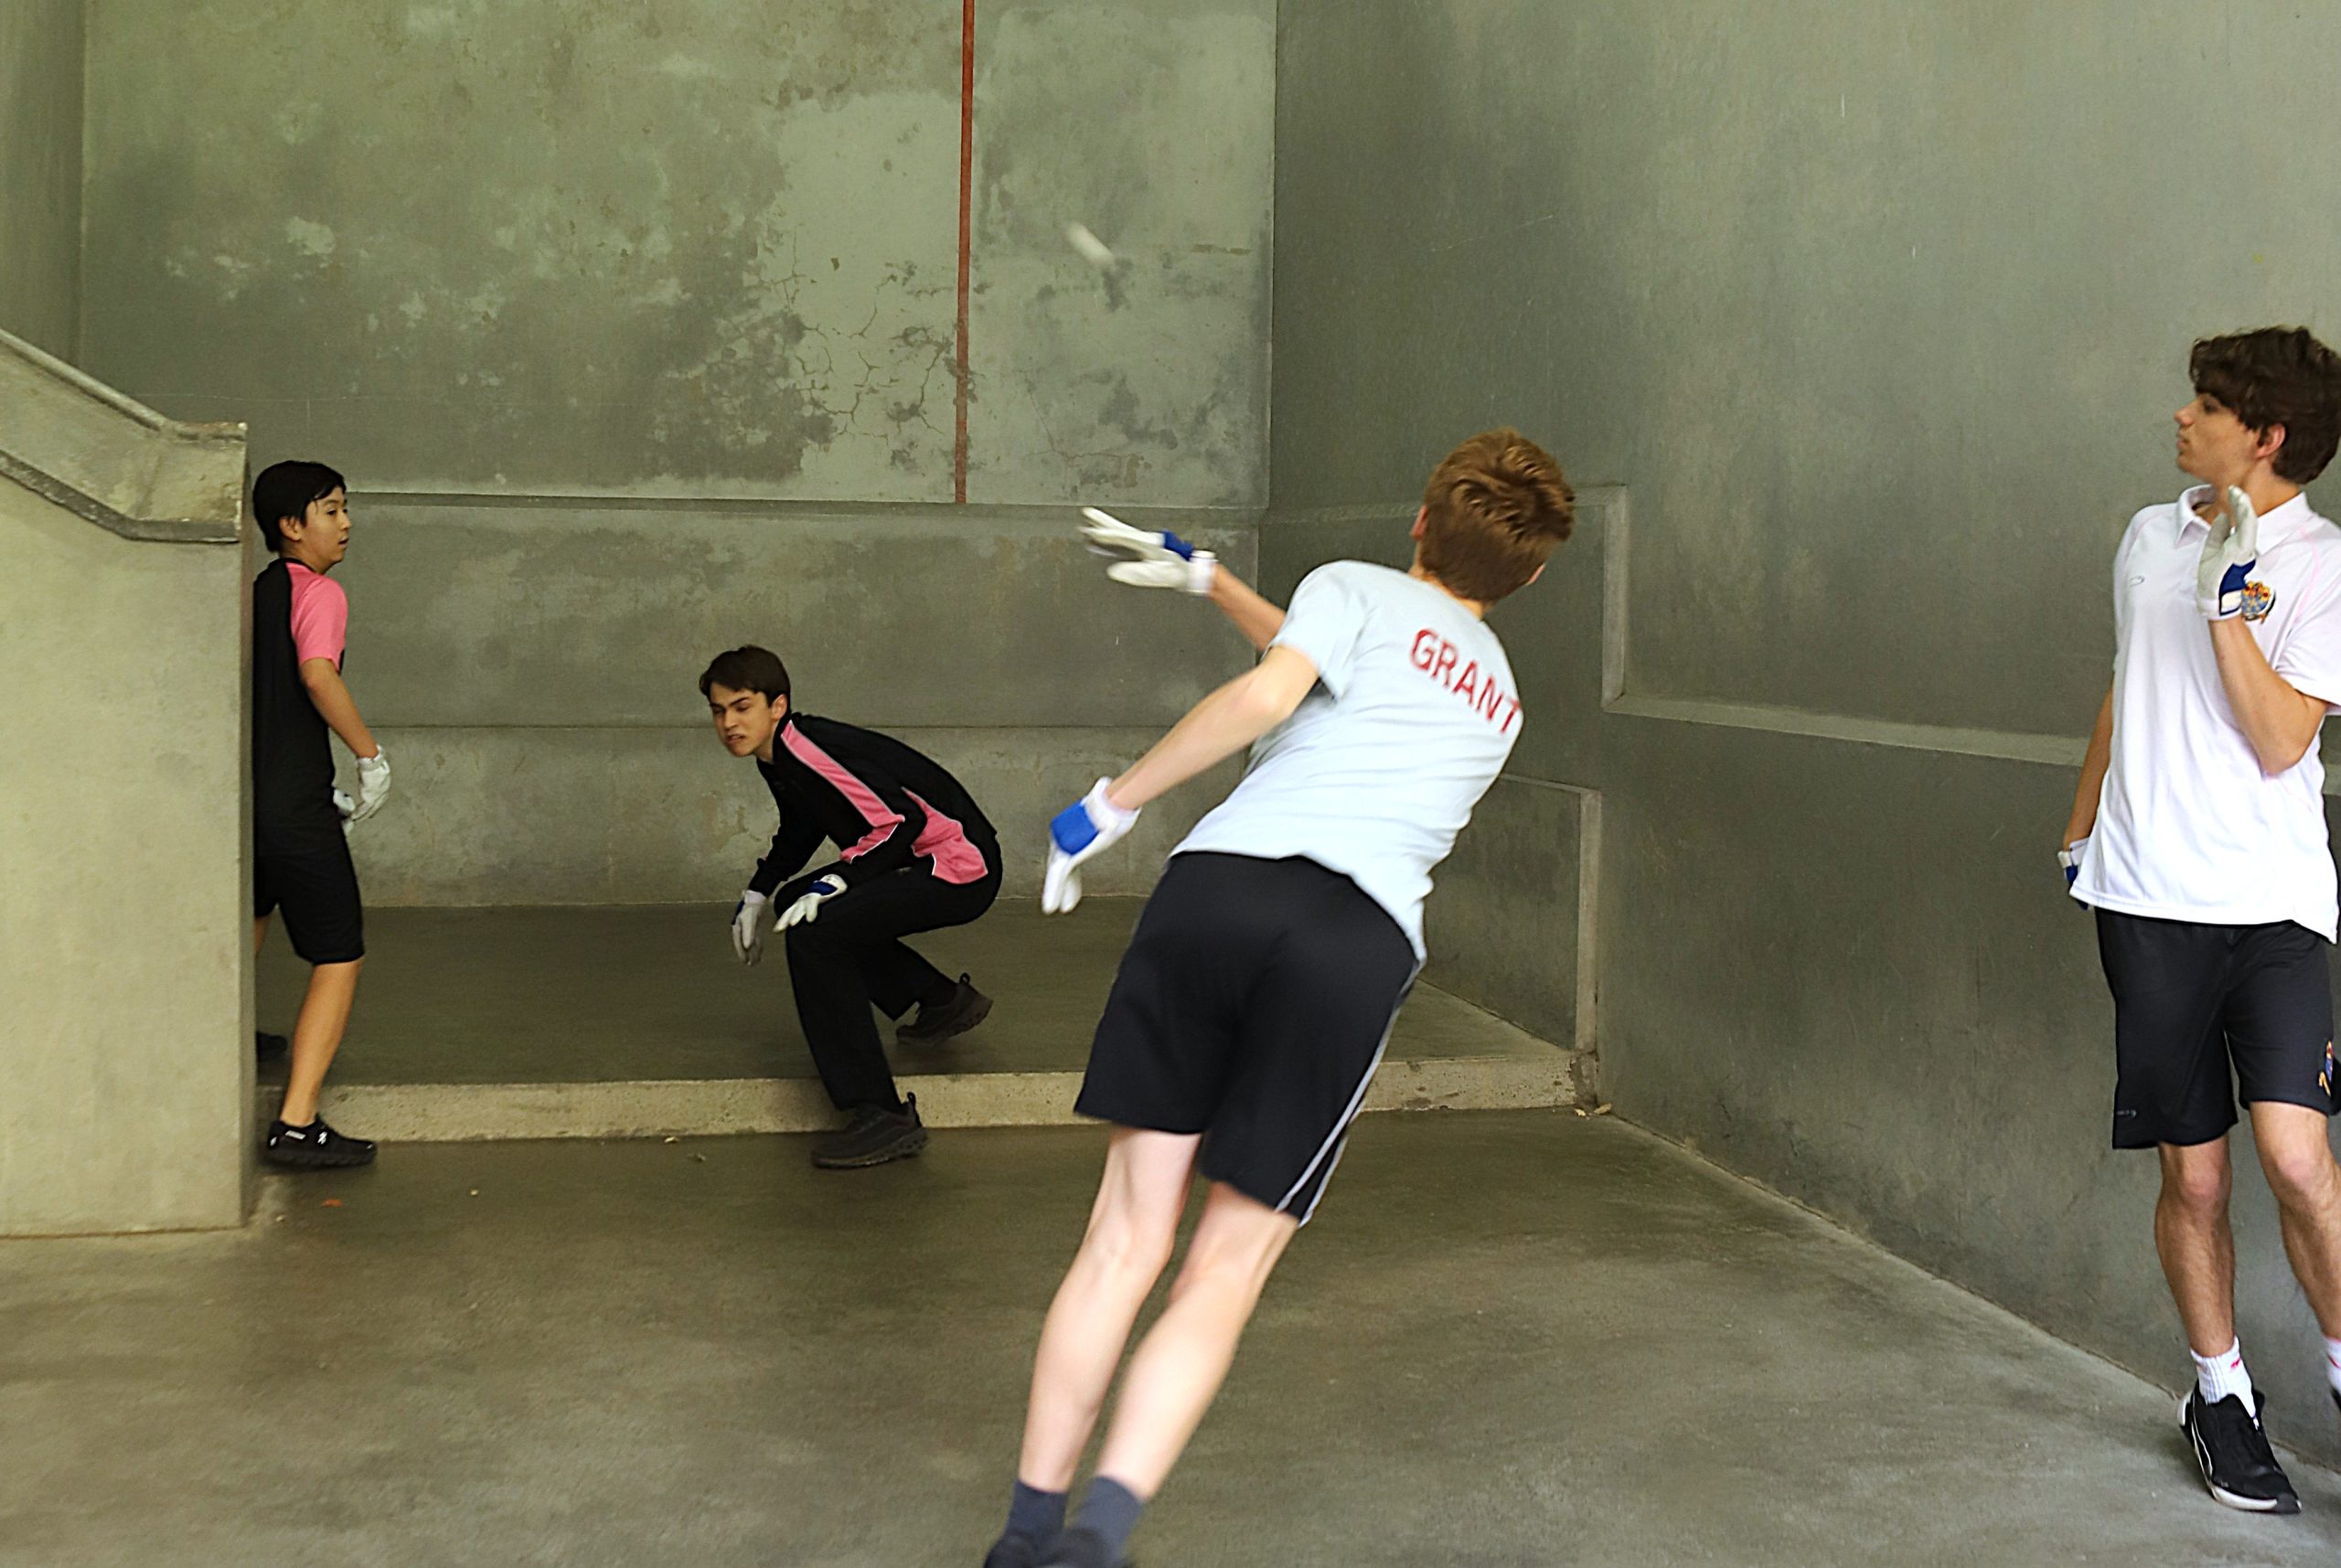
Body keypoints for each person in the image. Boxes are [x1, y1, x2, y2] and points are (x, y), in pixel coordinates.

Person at [980, 430, 1572, 1568]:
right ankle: (1097, 1541)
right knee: (1223, 1266)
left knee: (1121, 1240)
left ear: (1416, 519)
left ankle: (1024, 1536)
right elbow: (1352, 673)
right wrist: (1218, 583)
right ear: (1531, 575)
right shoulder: (1501, 700)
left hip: (1219, 891)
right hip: (1350, 941)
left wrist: (1106, 806)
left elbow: (1285, 686)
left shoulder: (1347, 585)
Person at [2062, 326, 2341, 1514]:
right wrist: (2079, 831)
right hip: (2148, 901)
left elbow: (2282, 739)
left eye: (2207, 404)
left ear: (2265, 436)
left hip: (2275, 908)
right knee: (2201, 1177)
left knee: (2297, 1157)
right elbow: (2129, 685)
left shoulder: (2322, 563)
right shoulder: (2143, 532)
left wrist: (2231, 592)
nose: (2181, 415)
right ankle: (2219, 1392)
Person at [705, 645, 1001, 1168]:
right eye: (719, 710)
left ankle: (881, 1115)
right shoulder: (780, 756)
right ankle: (938, 1000)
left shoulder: (811, 747)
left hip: (957, 866)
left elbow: (901, 821)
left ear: (778, 705)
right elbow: (803, 826)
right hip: (920, 860)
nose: (729, 722)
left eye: (742, 706)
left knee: (817, 934)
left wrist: (840, 879)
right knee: (800, 901)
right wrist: (760, 892)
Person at [251, 460, 390, 1168]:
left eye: (344, 508)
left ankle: (229, 1044)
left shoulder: (258, 591)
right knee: (339, 952)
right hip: (297, 811)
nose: (345, 523)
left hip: (247, 803)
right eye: (330, 509)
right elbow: (315, 674)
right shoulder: (319, 592)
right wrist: (368, 756)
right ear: (291, 525)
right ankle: (297, 1122)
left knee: (250, 919)